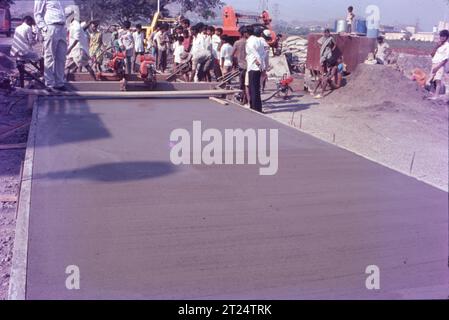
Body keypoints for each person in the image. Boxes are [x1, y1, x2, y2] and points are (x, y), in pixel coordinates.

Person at [34, 0, 68, 91]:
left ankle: (59, 83)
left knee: (61, 58)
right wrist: (44, 28)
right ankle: (49, 84)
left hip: (62, 27)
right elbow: (37, 14)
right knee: (49, 57)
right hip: (51, 27)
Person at [65, 9, 95, 80]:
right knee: (85, 66)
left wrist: (69, 49)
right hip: (76, 50)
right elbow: (84, 28)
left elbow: (76, 39)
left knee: (69, 67)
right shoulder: (74, 26)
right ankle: (95, 80)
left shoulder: (76, 26)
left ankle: (65, 81)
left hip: (78, 50)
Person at [246, 25, 266, 113]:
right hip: (258, 67)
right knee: (256, 89)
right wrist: (261, 63)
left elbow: (254, 52)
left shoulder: (251, 41)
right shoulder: (260, 41)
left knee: (253, 89)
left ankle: (255, 108)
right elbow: (263, 53)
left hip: (253, 66)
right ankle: (258, 108)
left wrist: (258, 60)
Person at [428, 29, 449, 100]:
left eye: (444, 36)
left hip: (440, 65)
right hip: (434, 63)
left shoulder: (447, 46)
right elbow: (432, 54)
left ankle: (436, 96)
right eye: (441, 36)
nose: (442, 37)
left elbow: (445, 59)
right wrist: (436, 46)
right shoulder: (439, 45)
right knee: (431, 79)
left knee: (438, 80)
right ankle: (431, 93)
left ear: (447, 37)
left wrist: (437, 67)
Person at [233, 26, 248, 105]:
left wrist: (234, 64)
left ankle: (243, 99)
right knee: (248, 84)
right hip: (249, 66)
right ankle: (247, 99)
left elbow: (232, 55)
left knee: (241, 84)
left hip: (241, 65)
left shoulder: (237, 43)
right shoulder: (249, 42)